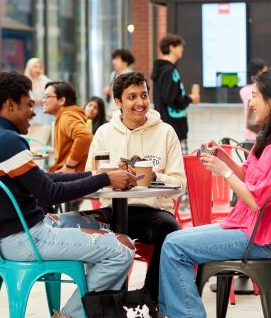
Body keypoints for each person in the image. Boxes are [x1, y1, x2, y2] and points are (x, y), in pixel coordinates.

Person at [0, 70, 137, 318]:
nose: (33, 112)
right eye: (29, 105)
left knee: (99, 222)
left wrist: (94, 175)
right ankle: (71, 315)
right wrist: (105, 179)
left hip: (10, 237)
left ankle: (92, 300)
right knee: (121, 249)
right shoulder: (9, 141)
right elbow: (49, 194)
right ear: (10, 105)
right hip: (27, 239)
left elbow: (46, 180)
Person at [159, 68, 271, 318]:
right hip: (250, 229)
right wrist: (222, 157)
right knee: (171, 240)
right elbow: (249, 178)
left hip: (261, 240)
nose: (250, 102)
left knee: (175, 248)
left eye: (255, 96)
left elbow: (254, 200)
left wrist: (223, 172)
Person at [58, 72, 186, 303]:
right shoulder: (104, 133)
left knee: (169, 228)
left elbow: (180, 183)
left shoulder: (166, 132)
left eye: (144, 95)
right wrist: (109, 177)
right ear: (118, 102)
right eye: (132, 97)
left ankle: (150, 300)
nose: (140, 103)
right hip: (112, 210)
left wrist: (153, 175)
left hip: (152, 212)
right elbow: (91, 175)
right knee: (68, 223)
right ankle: (107, 303)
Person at [151, 34, 200, 154]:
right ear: (172, 47)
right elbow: (170, 98)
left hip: (168, 125)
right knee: (180, 165)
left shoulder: (163, 70)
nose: (182, 49)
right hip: (174, 126)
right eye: (180, 46)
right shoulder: (169, 71)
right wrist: (189, 98)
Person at [43, 81, 92, 173]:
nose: (43, 100)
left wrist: (69, 165)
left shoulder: (67, 117)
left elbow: (85, 136)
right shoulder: (65, 115)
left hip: (73, 178)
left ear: (61, 100)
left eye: (47, 96)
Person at [24, 58, 53, 145]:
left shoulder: (47, 82)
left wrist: (42, 101)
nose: (38, 69)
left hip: (43, 121)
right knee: (27, 149)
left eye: (40, 67)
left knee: (39, 149)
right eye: (35, 67)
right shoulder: (24, 82)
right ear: (29, 68)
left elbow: (52, 97)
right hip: (27, 122)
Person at [239, 58, 268, 141]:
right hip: (261, 133)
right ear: (259, 72)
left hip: (248, 131)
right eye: (265, 71)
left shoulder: (243, 90)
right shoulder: (263, 89)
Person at [103, 49, 134, 119]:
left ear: (125, 61)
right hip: (110, 112)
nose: (113, 61)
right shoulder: (113, 74)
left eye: (117, 59)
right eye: (113, 59)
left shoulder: (130, 76)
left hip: (122, 113)